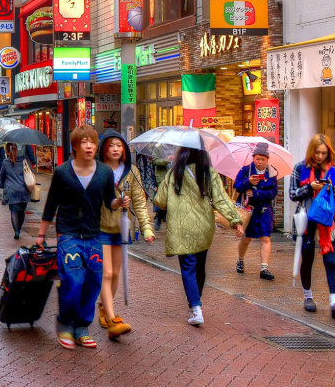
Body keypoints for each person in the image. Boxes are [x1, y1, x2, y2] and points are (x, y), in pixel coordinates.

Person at [36, 126, 126, 350]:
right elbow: (51, 204)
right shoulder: (62, 172)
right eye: (84, 142)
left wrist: (119, 202)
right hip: (68, 234)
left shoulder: (105, 173)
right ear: (75, 146)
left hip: (94, 235)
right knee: (73, 279)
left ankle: (82, 328)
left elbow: (109, 202)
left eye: (92, 142)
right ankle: (66, 324)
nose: (89, 146)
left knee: (93, 281)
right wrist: (41, 233)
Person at [154, 146, 242, 327]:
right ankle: (196, 303)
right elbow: (221, 199)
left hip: (180, 227)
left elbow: (160, 201)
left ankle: (195, 308)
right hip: (204, 227)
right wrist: (235, 220)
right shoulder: (208, 173)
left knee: (188, 268)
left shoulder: (173, 173)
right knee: (200, 265)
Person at [96, 131, 155, 339]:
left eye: (119, 145)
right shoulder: (98, 170)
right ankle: (112, 318)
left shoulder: (132, 172)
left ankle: (104, 308)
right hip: (101, 227)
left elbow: (139, 201)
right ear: (104, 148)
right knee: (107, 273)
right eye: (111, 145)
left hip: (122, 228)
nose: (115, 149)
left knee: (116, 273)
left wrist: (146, 228)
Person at [290, 134, 335, 318]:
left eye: (324, 153)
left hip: (329, 221)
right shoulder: (300, 168)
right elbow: (293, 193)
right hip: (307, 219)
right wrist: (310, 188)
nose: (320, 157)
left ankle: (334, 303)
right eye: (317, 153)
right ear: (311, 151)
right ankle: (308, 297)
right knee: (307, 260)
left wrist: (331, 188)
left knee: (330, 261)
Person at [233, 143, 279, 281]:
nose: (260, 162)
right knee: (246, 239)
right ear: (253, 158)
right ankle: (240, 260)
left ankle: (264, 268)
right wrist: (248, 182)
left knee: (265, 238)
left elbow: (273, 192)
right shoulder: (245, 170)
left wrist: (257, 193)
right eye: (257, 159)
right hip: (248, 210)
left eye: (263, 159)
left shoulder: (272, 172)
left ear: (267, 159)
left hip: (264, 210)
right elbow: (236, 185)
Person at [0, 142, 35, 240]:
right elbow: (31, 171)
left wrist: (2, 184)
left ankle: (16, 231)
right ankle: (19, 227)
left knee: (14, 211)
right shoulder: (24, 160)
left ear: (7, 150)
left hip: (11, 190)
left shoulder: (5, 162)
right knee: (22, 211)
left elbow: (1, 176)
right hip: (24, 190)